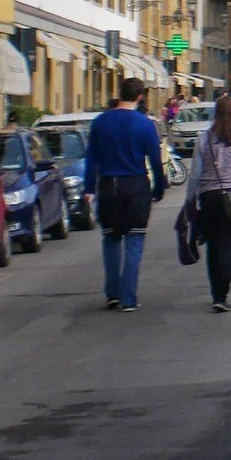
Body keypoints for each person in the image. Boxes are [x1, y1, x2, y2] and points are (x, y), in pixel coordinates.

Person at [83, 78, 169, 310]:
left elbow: (91, 158)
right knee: (134, 240)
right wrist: (159, 188)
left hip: (108, 184)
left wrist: (89, 187)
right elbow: (155, 159)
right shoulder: (144, 124)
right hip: (135, 185)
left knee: (111, 238)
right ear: (140, 97)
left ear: (119, 93)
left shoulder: (100, 122)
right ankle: (128, 298)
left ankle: (112, 293)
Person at [182, 94, 231, 311]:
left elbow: (195, 174)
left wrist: (190, 198)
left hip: (210, 198)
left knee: (214, 246)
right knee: (229, 246)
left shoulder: (203, 139)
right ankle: (222, 295)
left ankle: (216, 293)